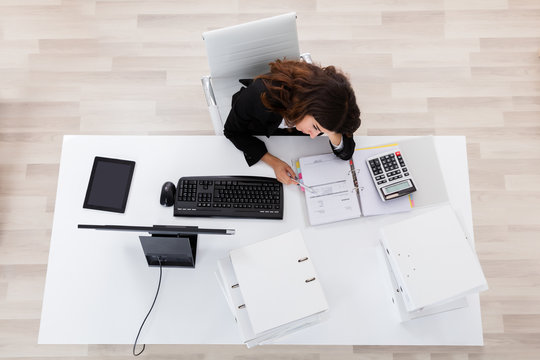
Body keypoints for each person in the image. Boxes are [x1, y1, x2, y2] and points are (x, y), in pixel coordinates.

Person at [224, 59, 361, 185]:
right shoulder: (258, 95)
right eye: (315, 127)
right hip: (260, 125)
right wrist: (273, 162)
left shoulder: (330, 105)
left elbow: (346, 153)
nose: (313, 136)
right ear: (307, 105)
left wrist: (331, 132)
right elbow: (232, 132)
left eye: (320, 131)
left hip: (292, 138)